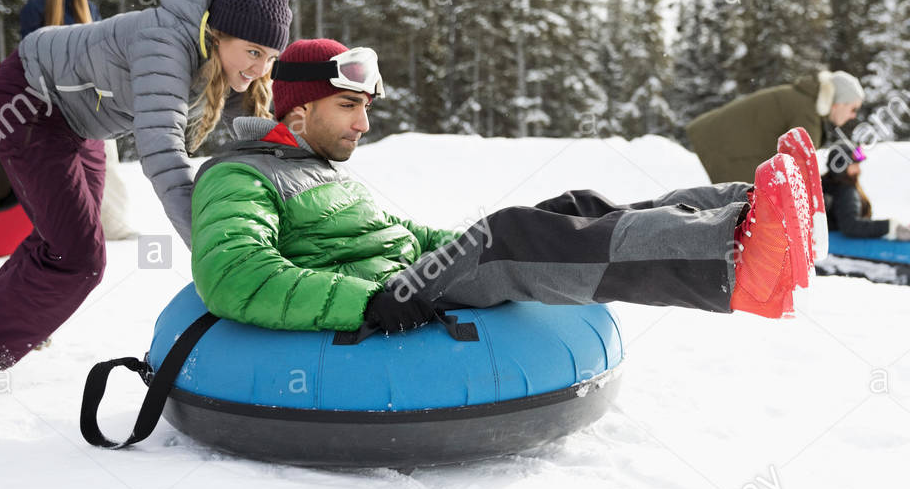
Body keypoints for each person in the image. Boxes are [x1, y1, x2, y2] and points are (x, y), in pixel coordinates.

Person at [189, 39, 820, 340]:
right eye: (349, 106)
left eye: (366, 106)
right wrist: (367, 299)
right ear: (297, 112)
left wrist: (464, 236)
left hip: (407, 275)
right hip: (385, 298)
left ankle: (745, 210)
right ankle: (737, 270)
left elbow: (406, 237)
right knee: (514, 238)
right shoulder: (238, 176)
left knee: (569, 210)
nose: (365, 122)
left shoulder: (323, 169)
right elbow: (235, 275)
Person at [0, 0, 293, 396]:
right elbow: (163, 154)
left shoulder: (203, 47)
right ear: (218, 34)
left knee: (64, 232)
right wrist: (213, 248)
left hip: (77, 121)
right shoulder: (165, 45)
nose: (260, 67)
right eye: (253, 51)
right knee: (78, 255)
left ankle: (11, 316)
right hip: (29, 101)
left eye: (270, 57)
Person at [19, 0, 138, 241]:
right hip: (55, 100)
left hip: (92, 98)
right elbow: (29, 54)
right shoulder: (35, 10)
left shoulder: (89, 9)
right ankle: (62, 226)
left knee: (104, 159)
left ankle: (113, 224)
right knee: (60, 165)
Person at [687, 69, 864, 183]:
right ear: (837, 103)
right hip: (719, 153)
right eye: (852, 108)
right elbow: (800, 168)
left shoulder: (804, 101)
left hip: (711, 144)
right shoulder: (807, 112)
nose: (853, 116)